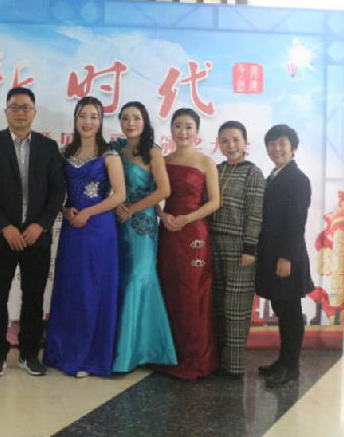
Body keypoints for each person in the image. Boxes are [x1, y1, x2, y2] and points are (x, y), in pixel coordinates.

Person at [0, 87, 66, 377]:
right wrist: (4, 226)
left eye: (26, 107)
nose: (20, 113)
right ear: (6, 112)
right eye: (14, 107)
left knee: (34, 297)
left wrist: (41, 225)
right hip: (2, 236)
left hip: (36, 236)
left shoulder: (48, 147)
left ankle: (28, 353)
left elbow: (58, 191)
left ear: (34, 112)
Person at [44, 96, 126, 377]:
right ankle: (64, 351)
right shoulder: (64, 153)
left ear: (100, 121)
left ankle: (89, 357)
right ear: (75, 119)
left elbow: (120, 195)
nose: (87, 122)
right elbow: (57, 192)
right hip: (72, 228)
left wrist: (88, 213)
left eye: (93, 116)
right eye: (82, 115)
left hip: (99, 229)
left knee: (93, 290)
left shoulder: (109, 155)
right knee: (71, 288)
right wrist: (66, 211)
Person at [110, 101, 177, 372]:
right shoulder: (115, 149)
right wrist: (118, 206)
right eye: (125, 118)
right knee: (121, 279)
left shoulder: (153, 151)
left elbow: (164, 191)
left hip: (143, 226)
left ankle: (139, 351)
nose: (130, 123)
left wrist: (133, 209)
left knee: (139, 278)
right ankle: (122, 349)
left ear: (145, 121)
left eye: (136, 118)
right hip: (117, 222)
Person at [156, 108, 220, 380]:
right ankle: (170, 355)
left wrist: (186, 219)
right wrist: (162, 216)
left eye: (189, 126)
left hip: (193, 233)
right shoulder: (162, 160)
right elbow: (152, 195)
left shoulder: (206, 162)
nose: (183, 132)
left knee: (193, 294)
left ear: (197, 131)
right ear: (171, 129)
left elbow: (215, 202)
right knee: (170, 292)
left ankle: (197, 358)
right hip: (168, 232)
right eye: (178, 126)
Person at [255, 124, 314, 388]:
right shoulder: (276, 175)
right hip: (273, 254)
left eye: (282, 143)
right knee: (282, 308)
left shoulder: (297, 179)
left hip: (288, 257)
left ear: (293, 148)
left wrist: (286, 257)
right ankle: (283, 361)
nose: (276, 149)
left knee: (290, 312)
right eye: (272, 144)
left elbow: (296, 222)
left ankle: (291, 367)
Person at [208, 121, 265, 377]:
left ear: (245, 143)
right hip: (212, 243)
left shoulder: (253, 173)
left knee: (236, 308)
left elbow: (255, 213)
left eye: (235, 140)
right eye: (225, 141)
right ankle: (216, 360)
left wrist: (249, 248)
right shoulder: (215, 169)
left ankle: (234, 366)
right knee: (216, 305)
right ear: (218, 143)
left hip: (239, 246)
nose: (230, 145)